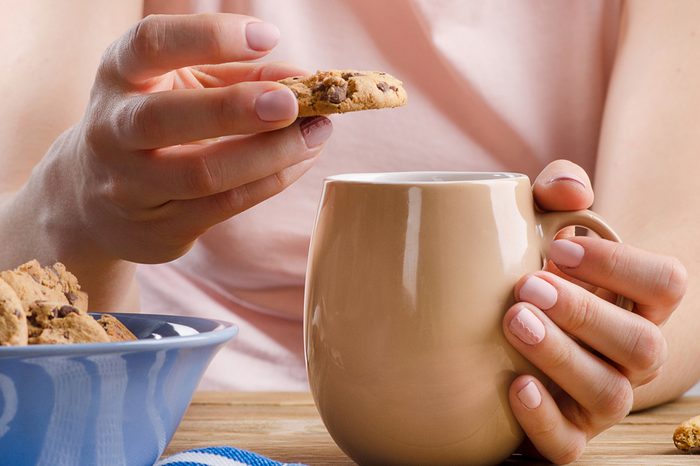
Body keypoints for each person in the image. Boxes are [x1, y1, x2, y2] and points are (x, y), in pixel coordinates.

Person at [1, 0, 698, 463]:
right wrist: (77, 204)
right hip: (180, 423)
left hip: (503, 411)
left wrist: (594, 338)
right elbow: (18, 245)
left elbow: (674, 271)